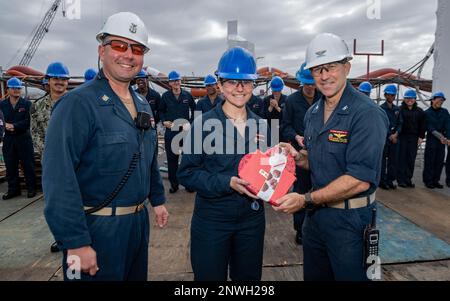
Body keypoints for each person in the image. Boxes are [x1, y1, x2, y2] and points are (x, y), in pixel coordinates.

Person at [42, 12, 168, 281]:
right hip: (94, 230)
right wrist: (75, 242)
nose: (128, 55)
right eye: (120, 45)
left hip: (137, 225)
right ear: (102, 50)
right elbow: (58, 178)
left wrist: (157, 200)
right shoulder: (76, 105)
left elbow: (146, 159)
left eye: (136, 49)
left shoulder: (143, 104)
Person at [273, 33, 388, 281]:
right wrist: (297, 157)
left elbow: (359, 179)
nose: (324, 76)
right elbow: (320, 160)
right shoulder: (313, 113)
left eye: (331, 67)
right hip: (316, 221)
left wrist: (304, 199)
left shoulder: (366, 114)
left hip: (351, 223)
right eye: (317, 70)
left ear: (346, 67)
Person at [177, 46, 268, 281]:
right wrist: (226, 182)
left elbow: (268, 171)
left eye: (245, 82)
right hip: (212, 220)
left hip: (251, 220)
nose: (239, 89)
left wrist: (282, 165)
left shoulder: (262, 125)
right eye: (231, 82)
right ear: (219, 84)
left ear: (253, 84)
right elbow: (186, 173)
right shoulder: (203, 124)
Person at [281, 62, 321, 245]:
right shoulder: (291, 101)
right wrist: (296, 137)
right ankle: (300, 229)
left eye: (313, 83)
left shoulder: (324, 98)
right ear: (301, 83)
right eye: (307, 83)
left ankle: (318, 228)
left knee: (321, 190)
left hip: (322, 154)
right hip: (301, 154)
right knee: (301, 191)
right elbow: (285, 126)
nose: (311, 87)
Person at [159, 70, 195, 193]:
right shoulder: (165, 96)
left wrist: (190, 122)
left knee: (187, 159)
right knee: (172, 160)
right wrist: (164, 121)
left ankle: (188, 184)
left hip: (185, 133)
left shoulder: (187, 95)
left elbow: (194, 110)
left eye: (178, 80)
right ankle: (174, 185)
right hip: (171, 131)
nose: (176, 82)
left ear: (180, 81)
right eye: (174, 80)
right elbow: (161, 111)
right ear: (169, 83)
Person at [0, 77, 36, 200]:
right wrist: (5, 126)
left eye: (18, 88)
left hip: (23, 138)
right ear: (8, 89)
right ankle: (13, 190)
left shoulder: (27, 104)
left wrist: (13, 126)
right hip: (9, 139)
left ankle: (31, 189)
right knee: (10, 165)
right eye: (13, 88)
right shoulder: (2, 105)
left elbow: (28, 121)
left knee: (28, 164)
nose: (16, 90)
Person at [31, 61, 70, 160]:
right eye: (55, 78)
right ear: (48, 80)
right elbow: (35, 133)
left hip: (74, 159)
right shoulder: (38, 106)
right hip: (49, 158)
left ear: (67, 81)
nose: (60, 82)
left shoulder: (78, 104)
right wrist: (47, 151)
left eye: (63, 79)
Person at [397, 89, 425, 188]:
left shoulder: (420, 111)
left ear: (415, 99)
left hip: (414, 138)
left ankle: (408, 179)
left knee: (411, 159)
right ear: (404, 99)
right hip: (402, 137)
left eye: (411, 98)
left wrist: (421, 137)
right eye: (408, 98)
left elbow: (423, 125)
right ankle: (401, 180)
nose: (410, 100)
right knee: (402, 159)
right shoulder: (400, 110)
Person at [423, 91, 449, 189]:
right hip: (432, 139)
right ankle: (428, 181)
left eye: (442, 100)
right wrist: (441, 137)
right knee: (430, 161)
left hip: (442, 141)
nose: (440, 102)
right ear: (433, 100)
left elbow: (448, 125)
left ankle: (435, 180)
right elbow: (430, 127)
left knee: (439, 161)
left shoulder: (445, 112)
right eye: (438, 100)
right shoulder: (427, 113)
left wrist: (448, 138)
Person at [379, 84, 403, 190]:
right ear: (385, 95)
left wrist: (396, 134)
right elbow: (381, 123)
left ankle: (390, 180)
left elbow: (400, 123)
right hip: (385, 139)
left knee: (393, 161)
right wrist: (390, 135)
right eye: (389, 95)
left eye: (393, 95)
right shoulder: (381, 109)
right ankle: (382, 181)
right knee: (382, 161)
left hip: (395, 138)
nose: (391, 97)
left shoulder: (397, 109)